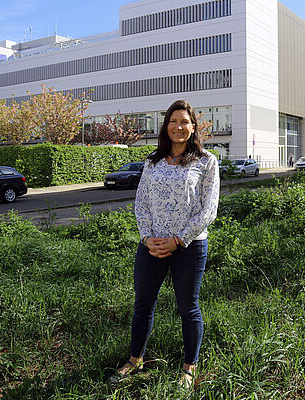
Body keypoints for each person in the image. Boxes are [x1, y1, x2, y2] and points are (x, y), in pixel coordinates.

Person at [111, 100, 220, 388]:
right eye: (173, 121)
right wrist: (148, 238)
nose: (178, 127)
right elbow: (141, 204)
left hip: (189, 246)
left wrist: (177, 240)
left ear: (193, 126)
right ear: (166, 126)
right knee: (142, 305)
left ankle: (189, 367)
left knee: (188, 307)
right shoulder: (152, 161)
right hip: (151, 246)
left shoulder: (207, 161)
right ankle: (135, 360)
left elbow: (208, 210)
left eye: (184, 121)